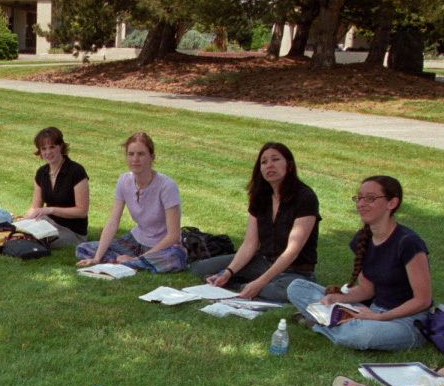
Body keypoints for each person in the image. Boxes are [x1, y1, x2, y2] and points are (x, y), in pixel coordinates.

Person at [287, 175, 431, 350]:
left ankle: (319, 324)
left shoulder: (408, 242)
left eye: (370, 198)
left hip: (405, 321)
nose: (361, 204)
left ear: (392, 203)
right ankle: (335, 322)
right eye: (359, 198)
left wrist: (379, 318)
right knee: (297, 287)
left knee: (361, 335)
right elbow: (366, 289)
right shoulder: (362, 238)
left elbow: (423, 300)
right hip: (370, 311)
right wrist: (337, 298)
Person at [189, 141, 320, 302]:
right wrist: (229, 271)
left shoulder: (305, 197)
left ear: (290, 165)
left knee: (286, 291)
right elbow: (249, 244)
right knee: (199, 269)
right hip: (262, 263)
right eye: (264, 162)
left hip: (295, 271)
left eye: (276, 159)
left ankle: (244, 286)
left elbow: (292, 251)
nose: (269, 165)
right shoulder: (260, 196)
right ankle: (238, 282)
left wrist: (259, 282)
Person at [76, 131, 187, 273]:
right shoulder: (124, 181)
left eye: (141, 154)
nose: (135, 159)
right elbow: (113, 221)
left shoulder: (166, 186)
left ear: (151, 157)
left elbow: (173, 236)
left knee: (175, 257)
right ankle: (132, 262)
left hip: (163, 246)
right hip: (136, 241)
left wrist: (135, 259)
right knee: (84, 248)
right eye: (131, 154)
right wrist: (96, 258)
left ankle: (131, 262)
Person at [19, 126, 89, 249]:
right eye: (43, 148)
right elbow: (35, 207)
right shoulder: (42, 172)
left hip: (72, 231)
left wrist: (50, 210)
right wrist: (23, 223)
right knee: (20, 233)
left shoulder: (76, 171)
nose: (48, 152)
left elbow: (82, 211)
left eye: (52, 147)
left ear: (60, 146)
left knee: (34, 240)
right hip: (48, 223)